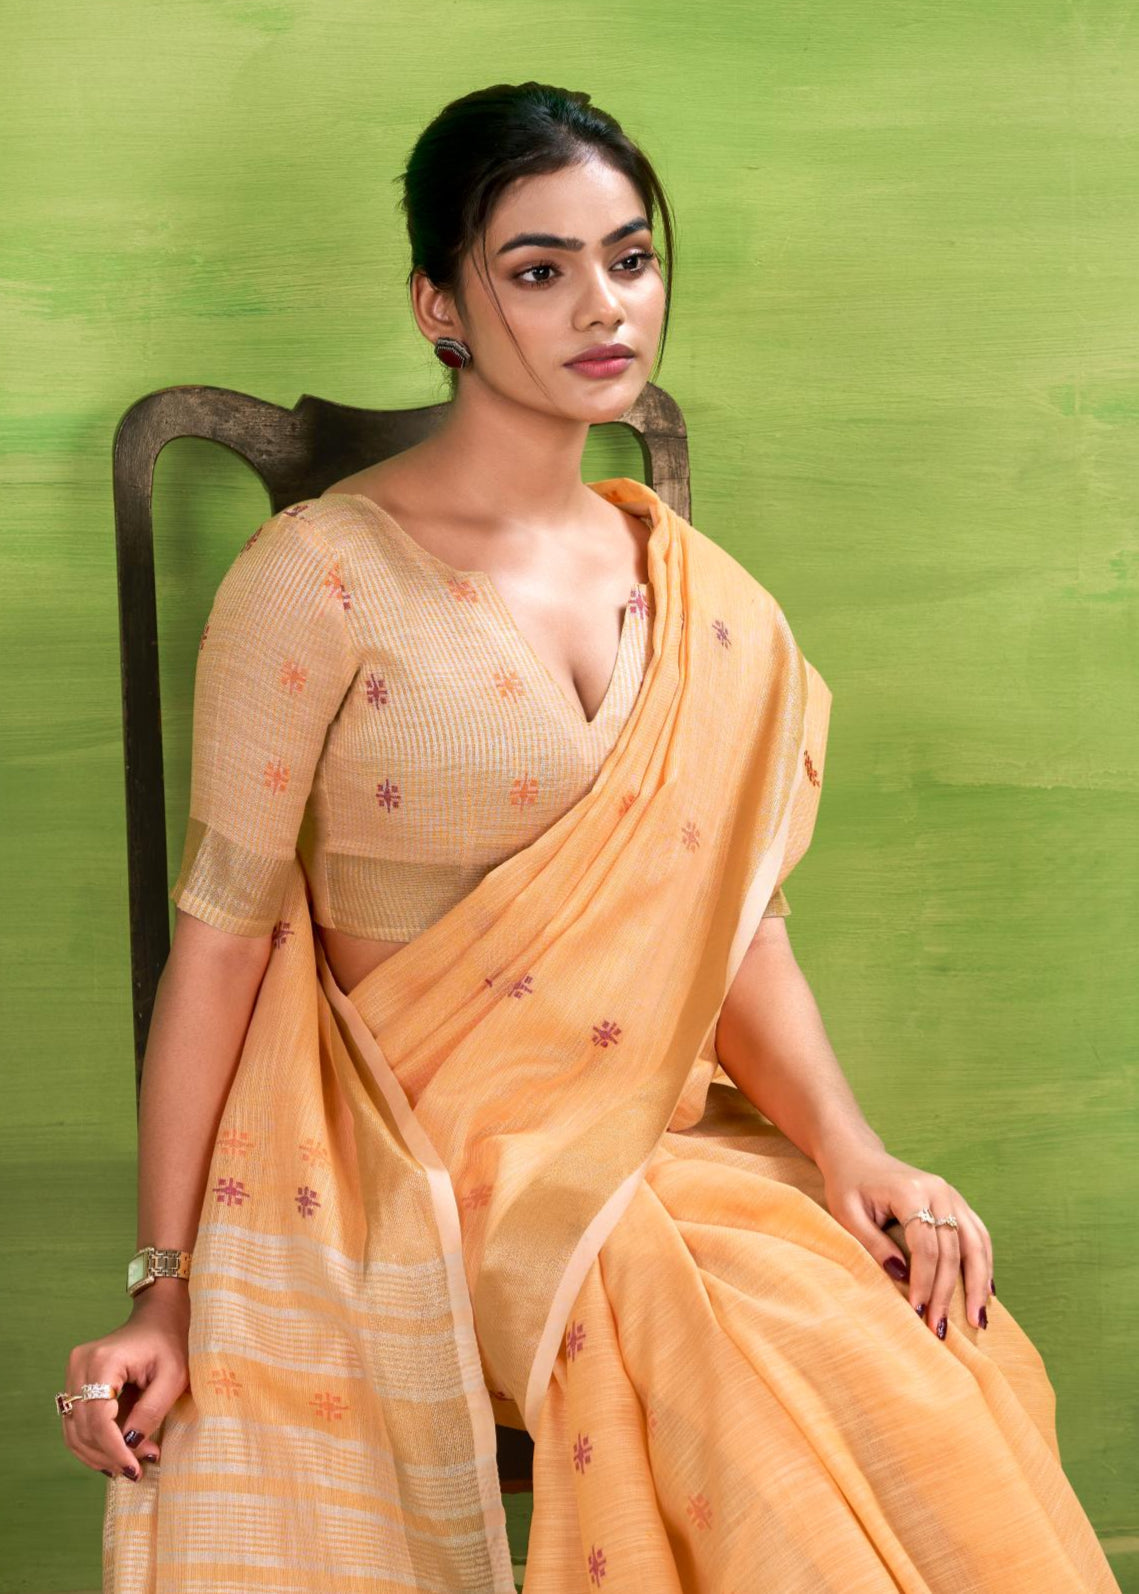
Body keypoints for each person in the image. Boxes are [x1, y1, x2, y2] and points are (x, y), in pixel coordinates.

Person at [64, 82, 1120, 1593]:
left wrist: (851, 1147)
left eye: (629, 258)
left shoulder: (705, 600)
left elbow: (732, 928)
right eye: (538, 268)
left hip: (659, 1127)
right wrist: (161, 1287)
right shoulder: (318, 582)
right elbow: (221, 941)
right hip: (419, 1166)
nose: (602, 306)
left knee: (904, 1322)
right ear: (439, 304)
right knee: (688, 1308)